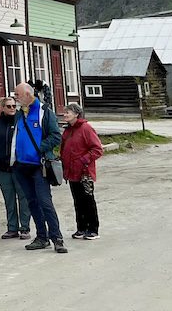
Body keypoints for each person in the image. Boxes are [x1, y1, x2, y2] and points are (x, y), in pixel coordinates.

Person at [12, 81, 66, 253]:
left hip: (39, 165)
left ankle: (57, 238)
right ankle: (42, 237)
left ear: (28, 95)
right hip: (22, 166)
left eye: (17, 94)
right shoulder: (20, 114)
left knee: (45, 202)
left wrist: (37, 148)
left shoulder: (44, 112)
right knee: (32, 202)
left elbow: (56, 136)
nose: (15, 97)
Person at [60, 102, 104, 241]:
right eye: (64, 112)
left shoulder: (86, 128)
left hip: (84, 173)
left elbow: (97, 149)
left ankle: (93, 229)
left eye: (67, 112)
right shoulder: (68, 130)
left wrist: (83, 160)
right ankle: (81, 228)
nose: (64, 115)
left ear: (76, 114)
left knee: (88, 201)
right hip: (71, 172)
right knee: (78, 201)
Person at [0, 96, 31, 239]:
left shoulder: (22, 121)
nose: (12, 108)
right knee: (9, 199)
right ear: (2, 108)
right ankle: (12, 228)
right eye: (9, 106)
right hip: (3, 168)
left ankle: (24, 228)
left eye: (14, 106)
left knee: (23, 198)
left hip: (20, 167)